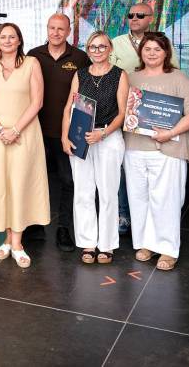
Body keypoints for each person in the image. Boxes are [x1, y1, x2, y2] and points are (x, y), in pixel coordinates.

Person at [123, 33, 189, 271]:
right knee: (138, 198)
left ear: (166, 52)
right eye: (147, 49)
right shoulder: (131, 77)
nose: (152, 53)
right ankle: (145, 244)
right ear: (141, 52)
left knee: (166, 200)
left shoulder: (178, 78)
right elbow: (122, 110)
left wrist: (170, 133)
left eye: (157, 49)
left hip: (168, 148)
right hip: (135, 147)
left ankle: (167, 248)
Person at [0, 23, 50, 268]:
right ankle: (6, 240)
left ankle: (17, 244)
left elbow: (37, 102)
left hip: (24, 135)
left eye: (12, 37)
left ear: (19, 40)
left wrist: (15, 130)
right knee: (1, 186)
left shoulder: (31, 64)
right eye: (3, 37)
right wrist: (0, 130)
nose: (7, 41)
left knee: (19, 185)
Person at [109, 3, 178, 235]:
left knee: (154, 170)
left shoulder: (162, 42)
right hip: (124, 114)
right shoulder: (116, 43)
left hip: (156, 116)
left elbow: (174, 73)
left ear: (151, 18)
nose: (134, 18)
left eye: (140, 15)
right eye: (130, 15)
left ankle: (152, 219)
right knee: (123, 167)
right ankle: (123, 214)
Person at [60, 31, 128, 264]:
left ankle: (107, 245)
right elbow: (69, 107)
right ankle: (88, 243)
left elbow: (123, 113)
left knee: (108, 193)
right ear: (87, 50)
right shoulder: (80, 74)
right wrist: (64, 137)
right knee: (83, 192)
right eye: (92, 47)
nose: (97, 51)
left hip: (108, 137)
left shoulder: (119, 75)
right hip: (80, 136)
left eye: (102, 47)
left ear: (110, 49)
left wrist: (103, 133)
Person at [27, 13, 89, 251]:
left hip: (66, 132)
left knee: (68, 181)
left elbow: (85, 96)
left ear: (68, 31)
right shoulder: (33, 55)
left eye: (61, 29)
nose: (55, 32)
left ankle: (64, 228)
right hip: (35, 129)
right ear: (47, 29)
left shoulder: (80, 58)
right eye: (52, 28)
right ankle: (34, 225)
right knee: (34, 178)